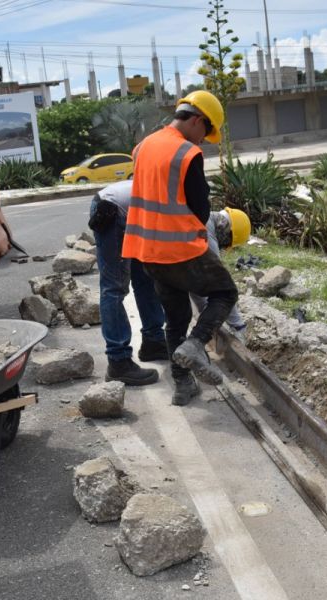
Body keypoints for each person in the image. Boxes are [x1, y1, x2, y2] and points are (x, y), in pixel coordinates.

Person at [122, 90, 239, 406]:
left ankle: (183, 385)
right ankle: (197, 344)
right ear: (198, 120)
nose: (202, 140)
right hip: (180, 250)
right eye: (205, 132)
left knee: (176, 318)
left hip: (149, 251)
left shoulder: (143, 146)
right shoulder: (186, 153)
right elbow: (201, 211)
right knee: (225, 292)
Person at [88, 179, 169, 386]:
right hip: (112, 211)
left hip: (129, 213)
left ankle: (154, 341)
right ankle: (118, 361)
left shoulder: (176, 196)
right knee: (114, 288)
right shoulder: (178, 203)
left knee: (146, 278)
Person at [190, 208, 250, 338]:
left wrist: (205, 311)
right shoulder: (206, 232)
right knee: (227, 292)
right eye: (227, 241)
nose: (224, 246)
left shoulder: (204, 219)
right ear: (226, 228)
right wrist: (237, 324)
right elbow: (221, 283)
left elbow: (194, 281)